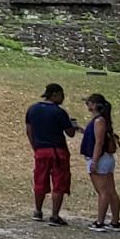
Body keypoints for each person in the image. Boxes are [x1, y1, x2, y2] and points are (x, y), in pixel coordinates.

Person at [25, 83, 78, 225]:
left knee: (40, 180)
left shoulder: (32, 109)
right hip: (57, 150)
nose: (63, 98)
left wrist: (35, 146)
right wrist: (73, 125)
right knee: (59, 182)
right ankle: (55, 215)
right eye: (62, 95)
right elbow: (70, 133)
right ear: (55, 94)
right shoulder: (59, 112)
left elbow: (29, 130)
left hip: (41, 150)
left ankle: (38, 210)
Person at [81, 93, 120, 232]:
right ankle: (115, 221)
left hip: (100, 158)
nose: (87, 105)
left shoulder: (99, 121)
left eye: (89, 103)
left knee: (103, 192)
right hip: (106, 159)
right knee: (111, 191)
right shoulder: (101, 121)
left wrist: (94, 160)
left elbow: (99, 142)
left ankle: (100, 221)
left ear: (94, 105)